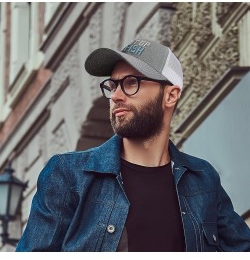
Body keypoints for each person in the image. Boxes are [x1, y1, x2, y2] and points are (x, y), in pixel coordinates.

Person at [16, 39, 250, 252]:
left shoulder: (202, 178)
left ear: (170, 96)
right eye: (113, 85)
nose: (116, 95)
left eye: (131, 83)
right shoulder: (68, 175)